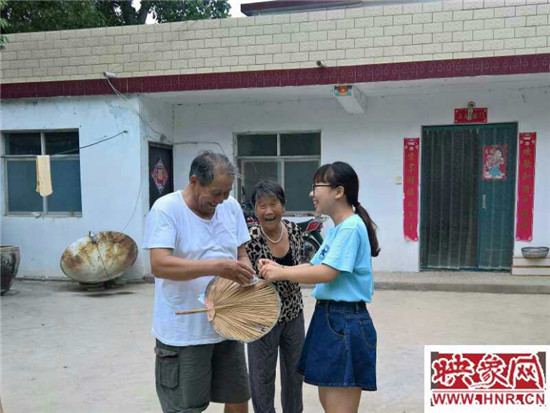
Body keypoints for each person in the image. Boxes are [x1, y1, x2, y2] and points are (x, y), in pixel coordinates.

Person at [259, 162, 380, 413]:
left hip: (344, 321)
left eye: (316, 187)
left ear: (339, 191)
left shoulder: (351, 227)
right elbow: (313, 267)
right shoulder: (338, 229)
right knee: (330, 403)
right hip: (330, 318)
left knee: (339, 408)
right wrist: (277, 266)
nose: (311, 193)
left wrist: (281, 272)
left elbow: (327, 272)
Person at [143, 151, 255, 413]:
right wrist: (217, 267)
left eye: (226, 192)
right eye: (216, 193)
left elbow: (241, 253)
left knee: (238, 398)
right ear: (194, 181)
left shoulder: (230, 207)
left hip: (227, 325)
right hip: (184, 333)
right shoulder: (166, 209)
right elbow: (160, 265)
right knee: (187, 407)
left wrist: (245, 269)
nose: (221, 199)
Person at [245, 180, 305, 413]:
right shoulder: (249, 238)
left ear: (283, 205)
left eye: (274, 204)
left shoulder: (294, 230)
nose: (269, 211)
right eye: (262, 205)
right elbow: (242, 280)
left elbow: (301, 267)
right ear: (254, 209)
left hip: (293, 313)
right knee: (261, 379)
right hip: (262, 319)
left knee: (295, 375)